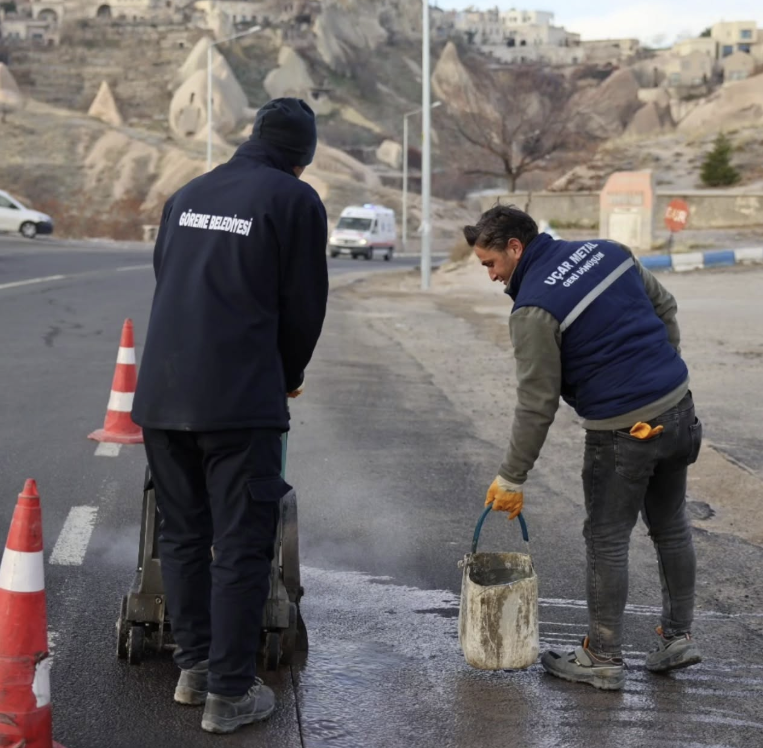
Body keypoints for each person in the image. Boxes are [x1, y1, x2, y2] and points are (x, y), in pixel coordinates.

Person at [132, 98, 329, 733]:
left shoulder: (189, 192)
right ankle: (230, 692)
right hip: (239, 400)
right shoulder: (295, 201)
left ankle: (193, 671)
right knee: (242, 545)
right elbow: (302, 307)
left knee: (183, 535)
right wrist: (288, 376)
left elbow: (167, 274)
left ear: (253, 138)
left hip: (163, 398)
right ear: (304, 156)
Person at [463, 205, 703, 691]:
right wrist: (659, 371)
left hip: (622, 432)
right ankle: (677, 638)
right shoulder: (607, 252)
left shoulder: (532, 309)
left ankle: (603, 656)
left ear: (516, 247)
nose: (491, 276)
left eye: (491, 263)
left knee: (608, 538)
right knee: (671, 526)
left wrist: (512, 476)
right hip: (679, 410)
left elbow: (537, 403)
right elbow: (666, 307)